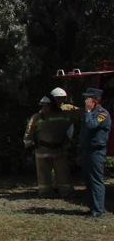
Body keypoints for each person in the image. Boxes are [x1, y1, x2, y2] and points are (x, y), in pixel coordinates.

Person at [23, 95, 75, 198]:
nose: (44, 108)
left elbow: (73, 119)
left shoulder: (62, 115)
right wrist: (29, 145)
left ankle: (67, 193)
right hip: (42, 151)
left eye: (47, 106)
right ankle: (45, 193)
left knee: (63, 173)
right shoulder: (36, 117)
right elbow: (29, 132)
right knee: (43, 175)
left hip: (59, 150)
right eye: (43, 106)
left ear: (53, 106)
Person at [75, 88, 111, 218]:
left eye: (88, 98)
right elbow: (83, 134)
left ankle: (98, 210)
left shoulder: (103, 114)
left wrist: (89, 111)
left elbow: (91, 126)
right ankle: (92, 207)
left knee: (96, 180)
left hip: (96, 152)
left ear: (96, 100)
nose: (86, 101)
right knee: (88, 180)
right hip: (86, 151)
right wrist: (80, 152)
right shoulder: (88, 114)